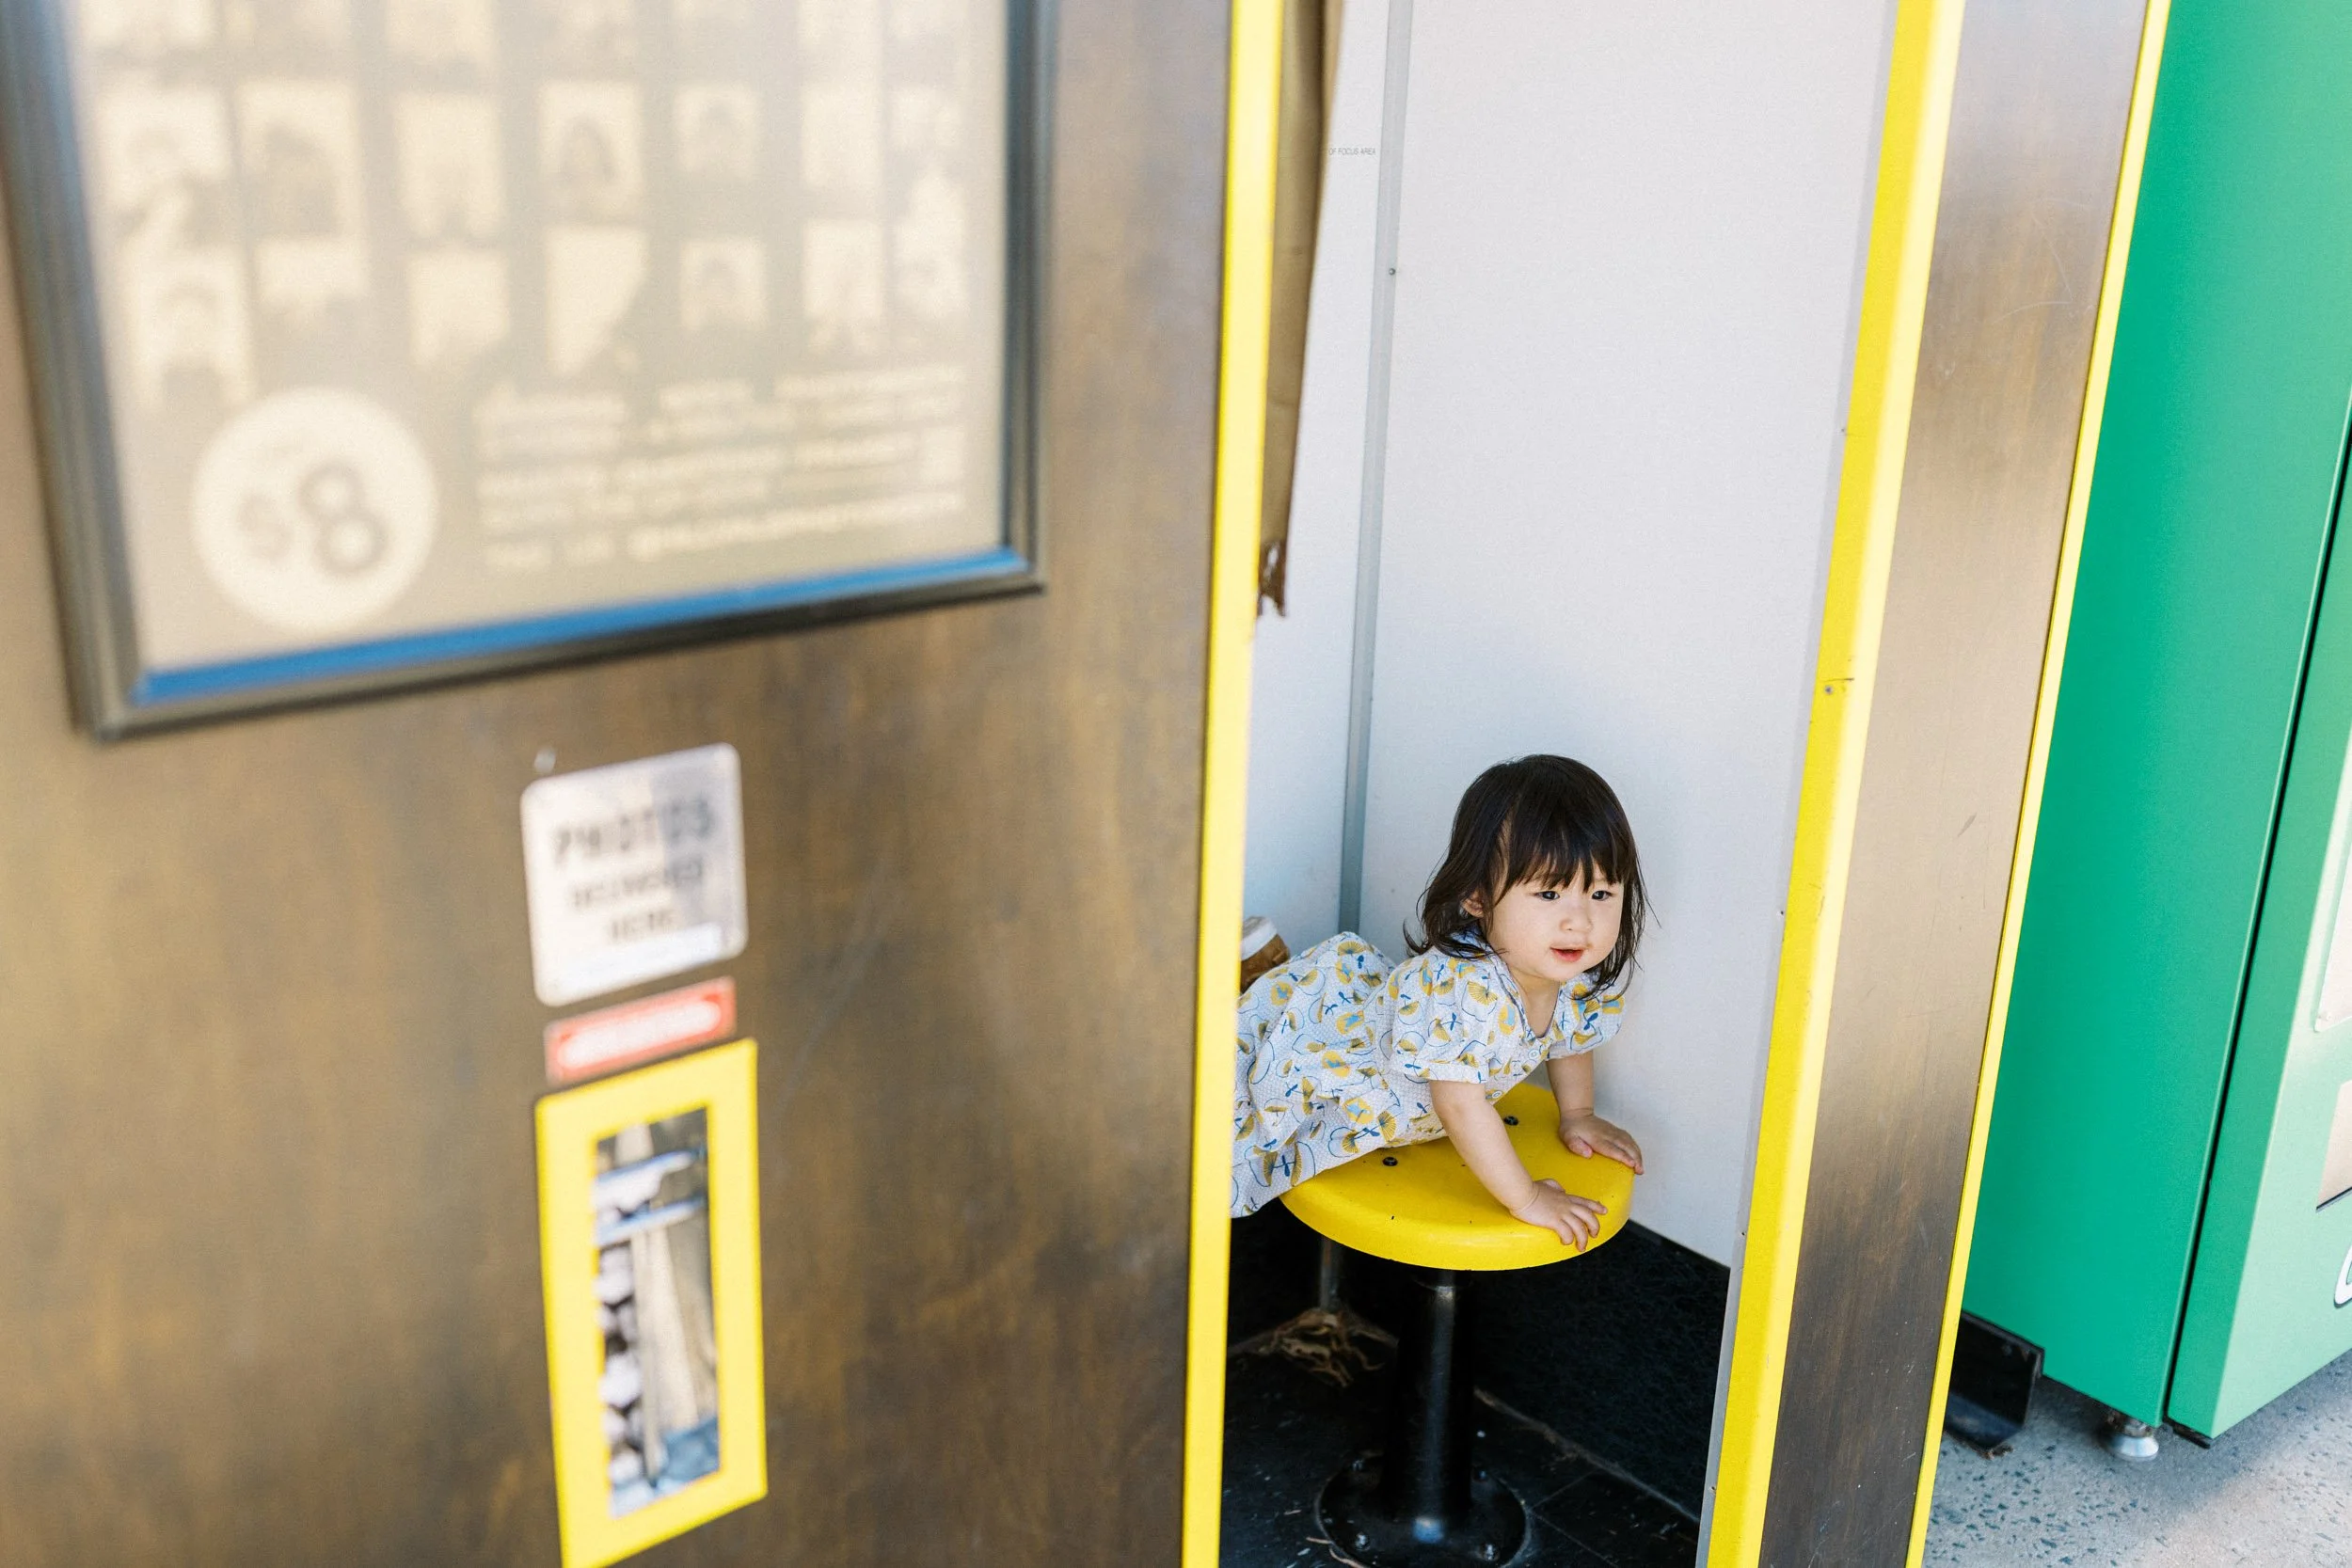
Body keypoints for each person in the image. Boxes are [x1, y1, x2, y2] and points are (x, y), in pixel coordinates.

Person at [1232, 754, 1648, 1248]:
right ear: (1477, 897)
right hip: (1360, 1067)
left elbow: (1571, 1039)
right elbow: (1459, 1106)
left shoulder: (1570, 970)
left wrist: (1578, 1114)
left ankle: (1261, 967)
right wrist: (1527, 1198)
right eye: (1549, 895)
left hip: (1413, 1075)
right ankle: (1255, 974)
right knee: (1253, 1068)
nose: (1579, 922)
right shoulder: (1463, 992)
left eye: (1601, 894)